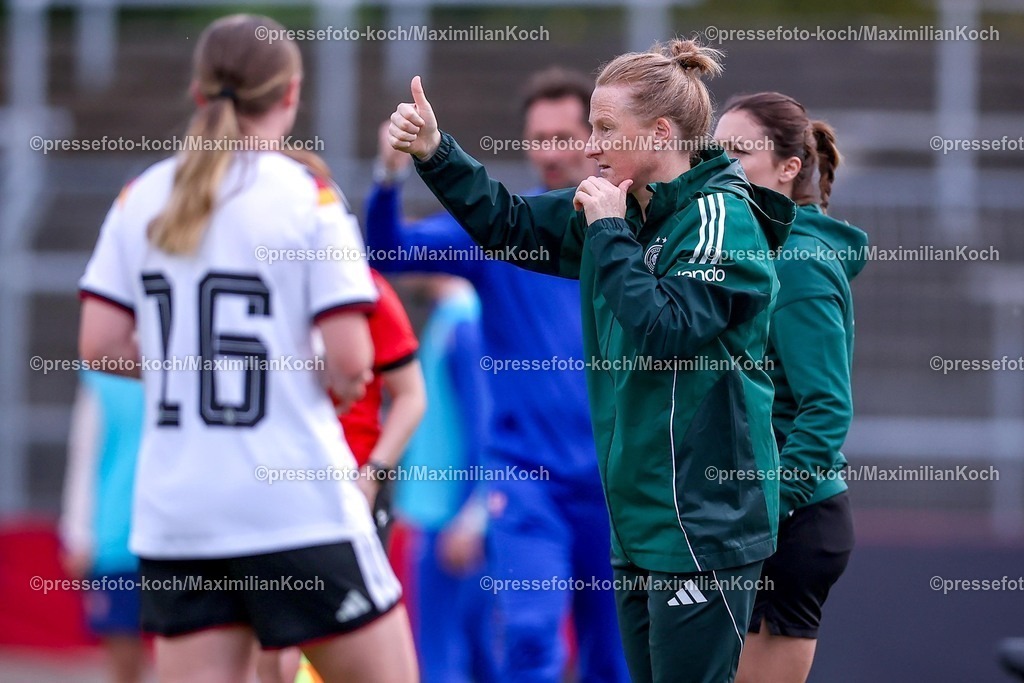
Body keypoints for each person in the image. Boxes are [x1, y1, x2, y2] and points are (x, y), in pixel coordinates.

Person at [388, 39, 795, 683]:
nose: (590, 146)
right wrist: (438, 154)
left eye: (605, 129)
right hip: (636, 516)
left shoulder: (721, 217)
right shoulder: (622, 206)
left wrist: (606, 233)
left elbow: (669, 329)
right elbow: (510, 226)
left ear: (661, 133)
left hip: (702, 519)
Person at [77, 14, 417, 683]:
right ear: (289, 95)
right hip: (294, 501)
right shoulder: (309, 195)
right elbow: (352, 362)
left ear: (200, 92)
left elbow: (99, 344)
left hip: (179, 511)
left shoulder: (140, 195)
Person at [366, 67, 628, 683]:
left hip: (616, 485)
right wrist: (388, 174)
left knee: (615, 661)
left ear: (596, 139)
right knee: (531, 642)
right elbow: (387, 251)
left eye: (568, 135)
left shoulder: (634, 230)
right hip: (528, 480)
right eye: (540, 137)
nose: (554, 152)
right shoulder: (505, 228)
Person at [714, 92, 863, 683]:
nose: (721, 165)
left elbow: (826, 406)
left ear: (789, 167)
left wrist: (771, 506)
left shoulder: (798, 262)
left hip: (789, 523)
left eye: (738, 151)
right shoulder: (752, 248)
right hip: (748, 514)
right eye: (714, 151)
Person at [258, 267, 425, 683]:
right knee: (274, 638)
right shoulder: (260, 281)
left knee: (355, 629)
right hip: (276, 486)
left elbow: (411, 395)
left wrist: (374, 472)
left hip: (354, 488)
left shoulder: (364, 287)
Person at [392, 274, 498, 683]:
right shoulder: (450, 318)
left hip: (453, 524)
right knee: (470, 655)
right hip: (441, 517)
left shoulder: (464, 322)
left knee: (445, 659)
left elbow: (485, 427)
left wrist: (472, 518)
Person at [60, 370, 147, 683]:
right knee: (123, 650)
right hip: (117, 535)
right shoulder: (102, 380)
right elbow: (85, 453)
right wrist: (78, 533)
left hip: (179, 536)